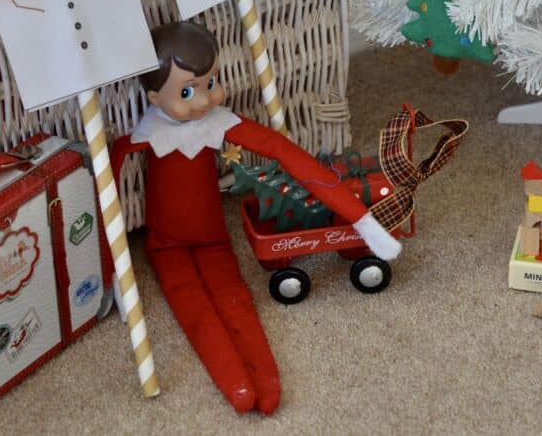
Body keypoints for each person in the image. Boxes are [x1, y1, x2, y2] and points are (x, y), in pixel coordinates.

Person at [110, 21, 400, 414]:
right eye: (185, 91)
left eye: (211, 83)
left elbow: (289, 156)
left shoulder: (219, 124)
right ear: (154, 98)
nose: (203, 101)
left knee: (236, 302)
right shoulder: (142, 136)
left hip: (213, 238)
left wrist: (361, 219)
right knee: (194, 310)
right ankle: (237, 387)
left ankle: (263, 383)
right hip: (165, 247)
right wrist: (106, 265)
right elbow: (104, 190)